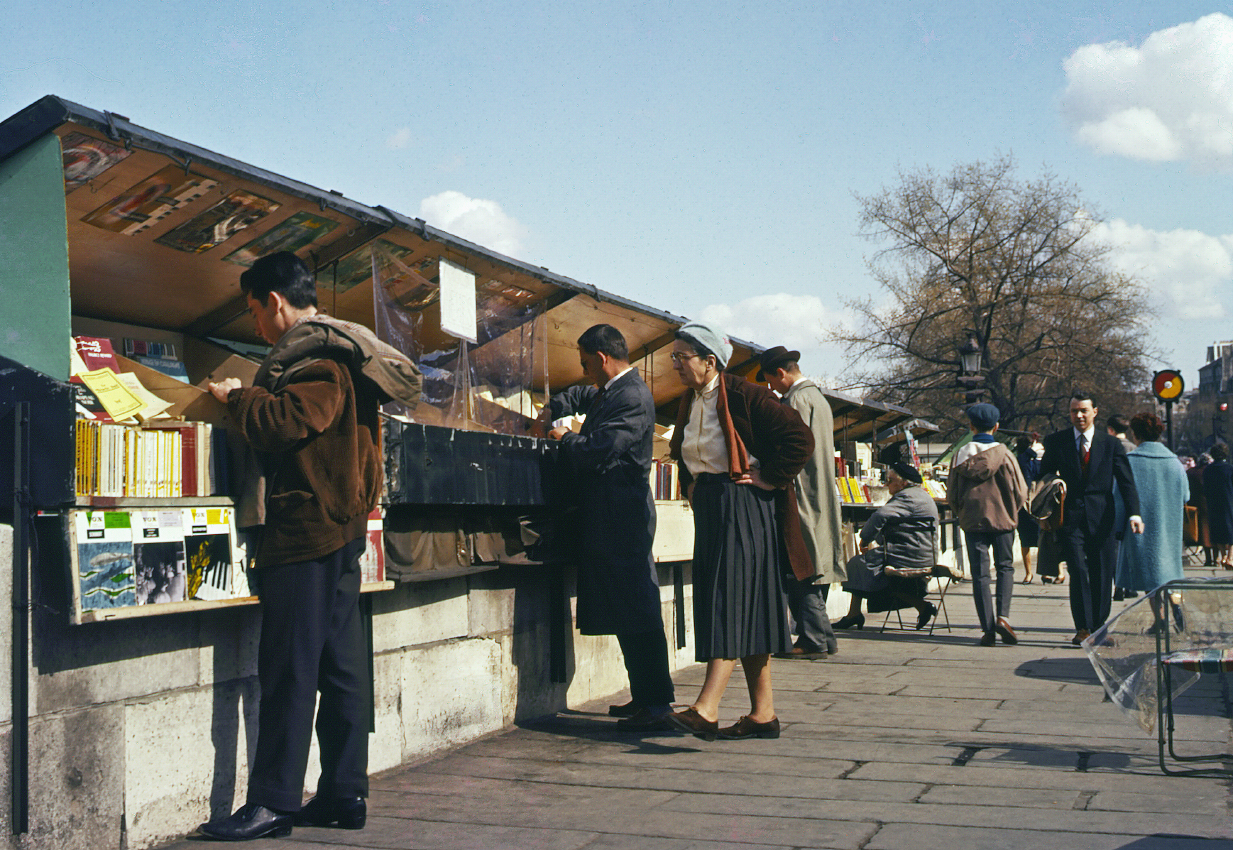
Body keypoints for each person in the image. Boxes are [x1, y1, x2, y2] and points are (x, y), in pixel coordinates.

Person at [200, 252, 422, 841]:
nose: (256, 325)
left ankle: (273, 802)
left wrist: (236, 398)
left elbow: (289, 421)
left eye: (255, 311)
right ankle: (344, 794)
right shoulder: (344, 349)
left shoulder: (315, 357)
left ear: (275, 302)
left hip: (306, 533)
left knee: (290, 671)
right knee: (340, 667)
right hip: (340, 531)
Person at [664, 322, 813, 741]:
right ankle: (763, 714)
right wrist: (691, 484)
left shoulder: (746, 393)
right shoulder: (691, 399)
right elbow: (685, 450)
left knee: (727, 600)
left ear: (709, 361)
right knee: (750, 605)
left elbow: (800, 439)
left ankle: (706, 707)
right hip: (713, 504)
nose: (675, 364)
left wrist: (772, 476)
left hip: (742, 504)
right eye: (674, 357)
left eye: (681, 357)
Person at [540, 324, 674, 729]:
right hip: (611, 515)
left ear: (602, 358)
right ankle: (645, 696)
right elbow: (582, 395)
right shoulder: (612, 389)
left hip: (624, 517)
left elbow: (601, 449)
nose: (584, 371)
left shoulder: (631, 397)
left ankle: (656, 705)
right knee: (626, 610)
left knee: (637, 608)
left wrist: (564, 436)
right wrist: (554, 406)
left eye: (586, 364)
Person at [758, 346, 843, 660]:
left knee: (799, 565)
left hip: (800, 494)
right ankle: (823, 636)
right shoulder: (818, 399)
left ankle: (813, 638)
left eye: (770, 381)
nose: (771, 388)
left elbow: (789, 447)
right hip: (820, 492)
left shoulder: (794, 401)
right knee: (814, 564)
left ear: (781, 373)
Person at [1039, 390, 1143, 646]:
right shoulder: (1057, 441)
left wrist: (1134, 513)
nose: (1079, 415)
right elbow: (1043, 476)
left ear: (1094, 412)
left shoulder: (1111, 444)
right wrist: (1052, 491)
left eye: (1084, 410)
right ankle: (1083, 628)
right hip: (1070, 517)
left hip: (1103, 516)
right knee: (1077, 569)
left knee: (1102, 572)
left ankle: (1099, 627)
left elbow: (1126, 482)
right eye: (1074, 411)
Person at [947, 404, 1028, 646]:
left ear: (971, 426)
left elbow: (952, 494)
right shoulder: (1005, 454)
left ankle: (987, 629)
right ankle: (1003, 617)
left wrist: (962, 513)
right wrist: (1011, 511)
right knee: (1005, 568)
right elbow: (1021, 490)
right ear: (996, 426)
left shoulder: (959, 456)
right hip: (1003, 521)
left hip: (973, 522)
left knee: (980, 575)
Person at [834, 464, 940, 631]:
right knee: (866, 566)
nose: (886, 484)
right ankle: (921, 606)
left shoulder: (906, 498)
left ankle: (854, 614)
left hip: (907, 555)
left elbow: (880, 515)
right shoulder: (922, 495)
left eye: (890, 481)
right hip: (923, 554)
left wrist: (865, 539)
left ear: (903, 483)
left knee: (857, 564)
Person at [1113, 412, 1188, 594]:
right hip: (1169, 531)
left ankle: (1162, 612)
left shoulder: (1130, 462)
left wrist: (1117, 529)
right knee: (1165, 577)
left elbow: (1119, 499)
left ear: (1135, 434)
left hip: (1138, 531)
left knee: (1148, 579)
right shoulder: (1175, 463)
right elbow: (1186, 496)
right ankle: (1171, 606)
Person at [1106, 414, 1139, 601]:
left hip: (1111, 499)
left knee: (1114, 546)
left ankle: (1118, 584)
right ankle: (1130, 585)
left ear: (1110, 429)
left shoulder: (1106, 447)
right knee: (1130, 545)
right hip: (1131, 501)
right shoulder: (1134, 449)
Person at [1014, 434, 1042, 583]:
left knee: (1028, 540)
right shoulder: (1027, 460)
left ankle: (1030, 573)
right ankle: (1038, 572)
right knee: (1037, 539)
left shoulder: (1021, 460)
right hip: (1033, 502)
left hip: (1026, 503)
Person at [1203, 443, 1233, 569]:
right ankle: (1230, 557)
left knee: (1217, 530)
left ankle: (1223, 555)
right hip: (1229, 502)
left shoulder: (1207, 470)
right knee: (1231, 530)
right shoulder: (1230, 469)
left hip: (1213, 503)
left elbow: (1205, 489)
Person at [1187, 453, 1214, 566]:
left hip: (1196, 505)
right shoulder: (1211, 472)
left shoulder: (1191, 472)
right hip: (1211, 504)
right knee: (1212, 531)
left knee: (1203, 532)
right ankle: (1216, 558)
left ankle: (1208, 559)